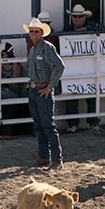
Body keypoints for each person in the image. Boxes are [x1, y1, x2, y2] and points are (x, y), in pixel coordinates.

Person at [24, 18, 65, 170]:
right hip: (35, 89)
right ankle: (44, 157)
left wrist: (49, 87)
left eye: (36, 32)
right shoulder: (34, 49)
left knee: (47, 125)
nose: (34, 34)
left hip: (42, 90)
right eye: (32, 31)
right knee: (40, 125)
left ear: (41, 33)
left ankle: (56, 159)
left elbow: (59, 66)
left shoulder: (46, 47)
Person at [64, 4, 103, 132]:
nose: (77, 19)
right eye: (74, 17)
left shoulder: (93, 26)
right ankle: (72, 123)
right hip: (73, 67)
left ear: (85, 17)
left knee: (91, 94)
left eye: (80, 16)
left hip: (90, 66)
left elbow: (104, 32)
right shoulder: (67, 30)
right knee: (71, 94)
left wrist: (85, 31)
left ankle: (93, 121)